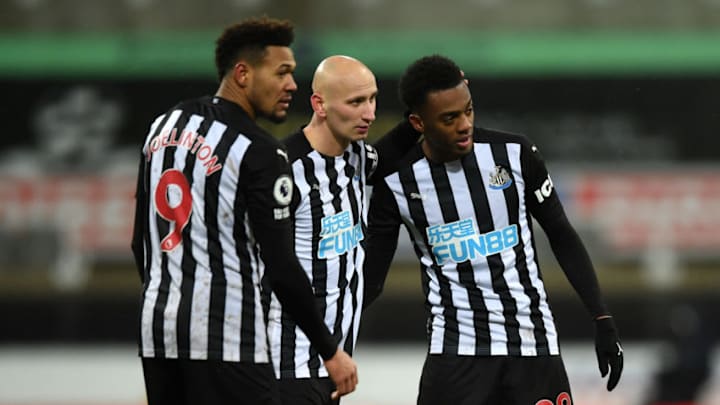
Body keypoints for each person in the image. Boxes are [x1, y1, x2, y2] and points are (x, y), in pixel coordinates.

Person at [363, 55, 624, 404]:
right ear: (417, 122)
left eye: (468, 110)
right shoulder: (396, 182)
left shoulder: (515, 153)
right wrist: (326, 339)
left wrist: (602, 317)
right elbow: (372, 277)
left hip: (533, 346)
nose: (464, 124)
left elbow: (561, 234)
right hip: (456, 354)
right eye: (449, 118)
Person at [130, 17, 357, 405]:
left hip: (159, 332)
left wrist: (171, 298)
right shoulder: (261, 152)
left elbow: (140, 242)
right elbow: (282, 267)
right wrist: (330, 350)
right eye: (282, 72)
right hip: (228, 339)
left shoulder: (162, 128)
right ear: (243, 73)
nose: (292, 86)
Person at [267, 55, 420, 405]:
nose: (369, 113)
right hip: (286, 367)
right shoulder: (283, 170)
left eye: (372, 99)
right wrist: (328, 349)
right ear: (319, 104)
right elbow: (278, 273)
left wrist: (427, 102)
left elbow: (386, 155)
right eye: (355, 102)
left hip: (329, 364)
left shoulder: (356, 158)